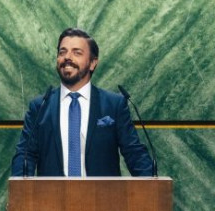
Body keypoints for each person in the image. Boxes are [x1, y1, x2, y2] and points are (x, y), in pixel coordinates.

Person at [11, 27, 153, 177]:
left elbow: (134, 153)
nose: (67, 57)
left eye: (77, 52)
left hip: (102, 192)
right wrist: (20, 188)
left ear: (92, 63)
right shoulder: (40, 106)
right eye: (62, 52)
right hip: (52, 192)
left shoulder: (114, 105)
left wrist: (153, 186)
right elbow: (25, 156)